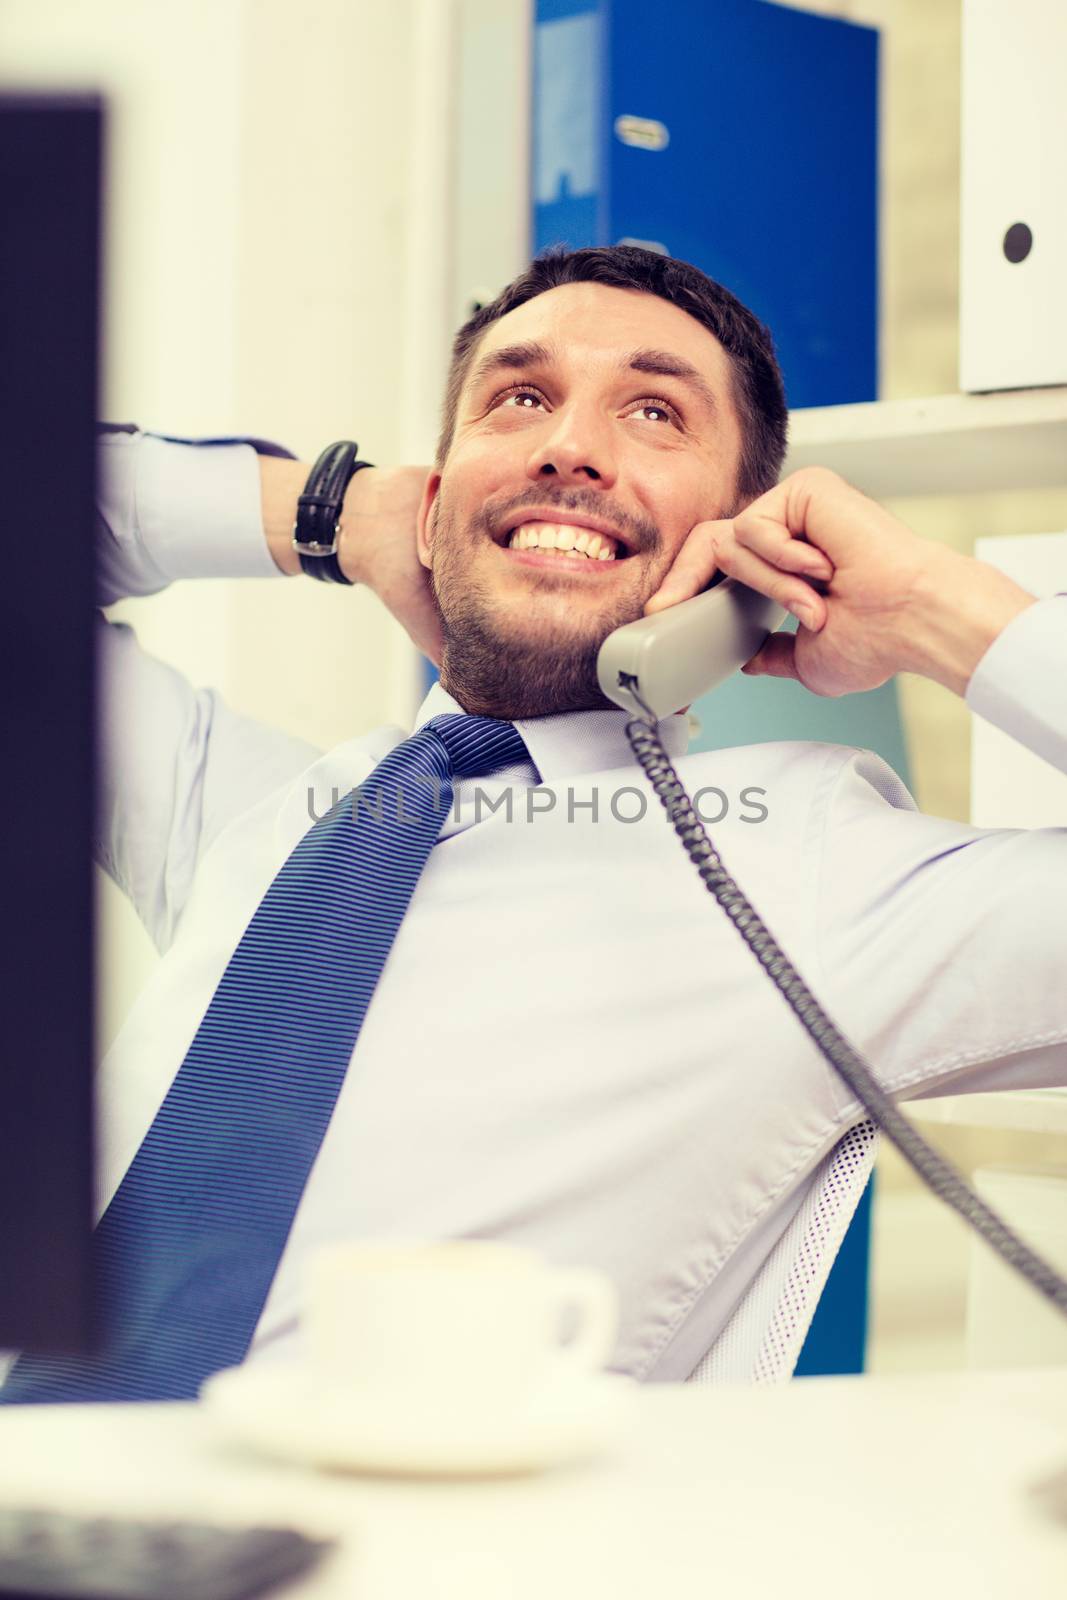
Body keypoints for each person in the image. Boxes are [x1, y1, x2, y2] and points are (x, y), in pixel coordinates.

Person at [7, 246, 1066, 1399]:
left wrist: (935, 608)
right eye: (518, 398)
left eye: (654, 411)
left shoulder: (809, 868)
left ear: (739, 538)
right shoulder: (250, 816)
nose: (567, 446)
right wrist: (339, 510)